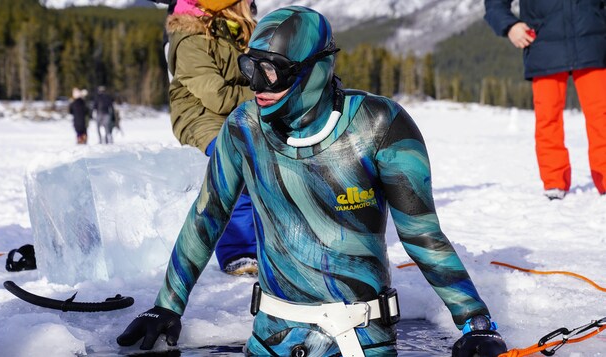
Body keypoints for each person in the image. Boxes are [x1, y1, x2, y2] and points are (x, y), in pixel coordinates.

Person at [117, 6, 508, 356]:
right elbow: (208, 216)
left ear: (316, 69)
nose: (257, 87)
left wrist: (476, 324)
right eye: (250, 68)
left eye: (271, 71)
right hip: (272, 337)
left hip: (360, 339)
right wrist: (167, 304)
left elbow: (422, 234)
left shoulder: (380, 125)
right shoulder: (244, 128)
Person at [165, 0, 258, 275]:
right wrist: (267, 95)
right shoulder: (190, 38)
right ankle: (239, 250)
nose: (253, 5)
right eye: (247, 1)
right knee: (235, 160)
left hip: (241, 113)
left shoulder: (233, 31)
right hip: (200, 117)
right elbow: (216, 96)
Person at [484, 0, 606, 200]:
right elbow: (495, 3)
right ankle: (554, 181)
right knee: (548, 118)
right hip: (544, 44)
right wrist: (510, 25)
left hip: (592, 40)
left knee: (602, 115)